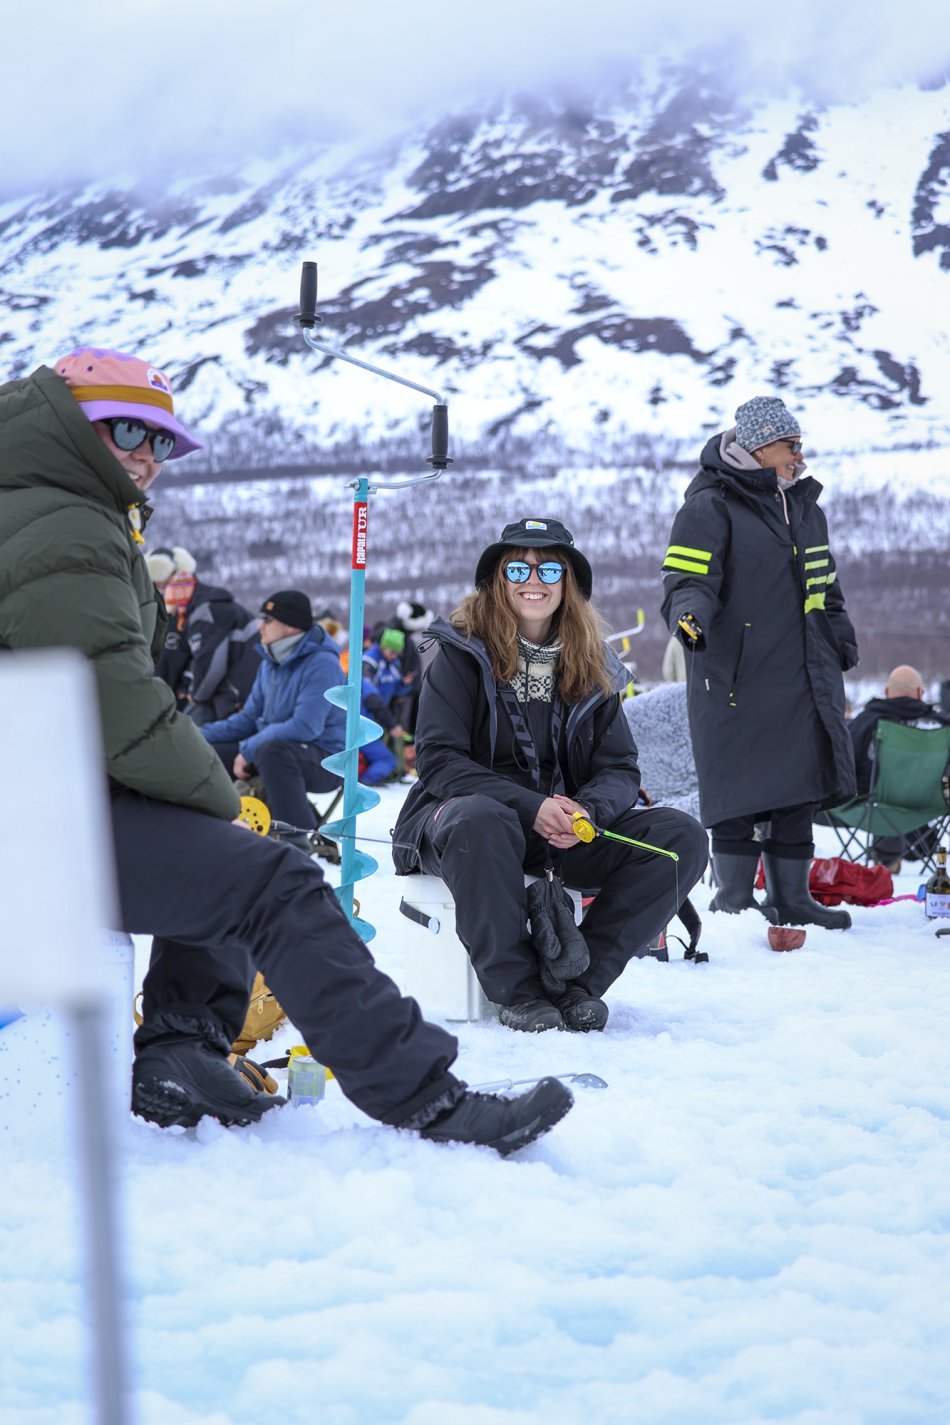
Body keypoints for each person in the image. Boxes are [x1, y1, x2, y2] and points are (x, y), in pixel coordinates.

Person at [0, 347, 573, 1153]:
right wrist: (210, 789)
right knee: (275, 879)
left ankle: (183, 1054)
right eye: (125, 428)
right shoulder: (64, 521)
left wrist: (203, 789)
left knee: (228, 832)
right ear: (71, 422)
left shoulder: (47, 503)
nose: (145, 455)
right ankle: (426, 1097)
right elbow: (111, 702)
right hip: (34, 822)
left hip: (40, 794)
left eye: (161, 441)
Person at [392, 517, 708, 1033]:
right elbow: (439, 760)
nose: (532, 580)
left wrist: (588, 811)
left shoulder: (593, 665)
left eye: (549, 569)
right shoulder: (459, 651)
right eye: (518, 566)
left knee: (680, 838)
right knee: (482, 817)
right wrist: (530, 807)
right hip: (460, 823)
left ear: (569, 584)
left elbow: (620, 768)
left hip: (564, 827)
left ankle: (577, 985)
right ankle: (518, 990)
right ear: (498, 579)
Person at [661, 395, 858, 930]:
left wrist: (840, 638)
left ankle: (792, 898)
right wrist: (688, 615)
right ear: (758, 447)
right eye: (790, 445)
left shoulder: (805, 508)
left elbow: (825, 585)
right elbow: (687, 578)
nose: (799, 454)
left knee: (800, 783)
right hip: (737, 675)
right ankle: (734, 898)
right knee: (738, 786)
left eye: (800, 444)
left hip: (803, 673)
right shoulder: (711, 504)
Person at [200, 590, 347, 834]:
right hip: (278, 749)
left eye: (267, 620)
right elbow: (248, 718)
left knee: (272, 751)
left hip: (327, 760)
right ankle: (220, 829)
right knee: (210, 753)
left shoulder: (322, 664)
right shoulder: (271, 661)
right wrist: (195, 735)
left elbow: (305, 726)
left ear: (290, 627)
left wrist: (249, 749)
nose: (260, 626)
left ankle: (296, 841)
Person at [848, 664, 950, 867]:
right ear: (920, 693)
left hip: (874, 803)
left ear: (886, 693)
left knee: (882, 795)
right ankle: (918, 846)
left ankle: (887, 855)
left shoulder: (866, 722)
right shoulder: (941, 725)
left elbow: (848, 763)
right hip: (928, 805)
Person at [147, 546, 260, 725]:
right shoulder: (199, 607)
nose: (159, 591)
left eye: (159, 584)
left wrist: (196, 695)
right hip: (239, 691)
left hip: (238, 693)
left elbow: (209, 660)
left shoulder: (204, 612)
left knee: (194, 729)